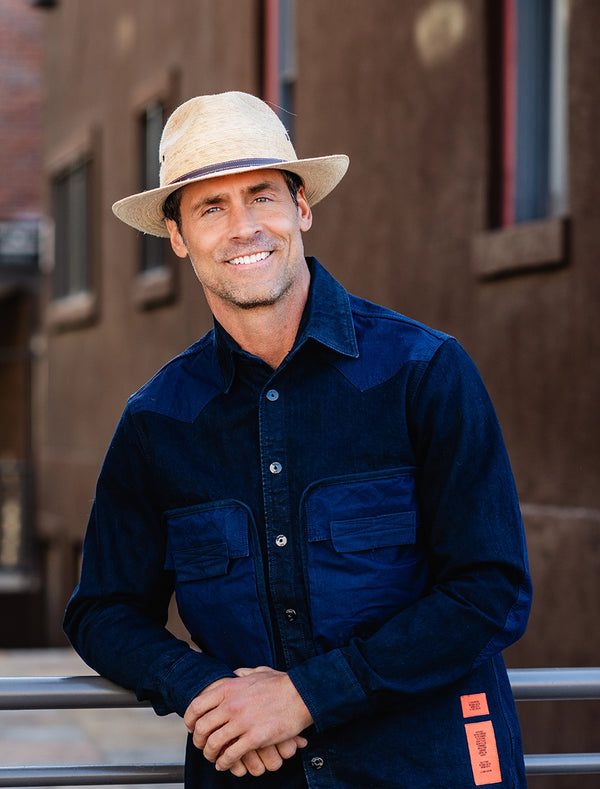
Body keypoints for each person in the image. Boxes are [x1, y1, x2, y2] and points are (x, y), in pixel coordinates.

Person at [64, 91, 532, 788]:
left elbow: (489, 589)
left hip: (425, 768)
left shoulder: (424, 373)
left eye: (263, 196)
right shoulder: (158, 421)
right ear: (178, 236)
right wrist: (199, 687)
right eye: (211, 207)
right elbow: (102, 608)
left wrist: (306, 694)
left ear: (302, 208)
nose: (244, 226)